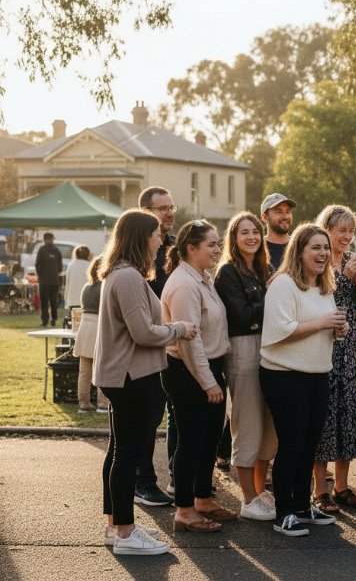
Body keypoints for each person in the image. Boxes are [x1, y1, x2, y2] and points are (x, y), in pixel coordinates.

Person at [94, 209, 197, 555]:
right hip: (131, 375)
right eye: (156, 235)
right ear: (141, 237)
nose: (160, 241)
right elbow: (143, 332)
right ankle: (125, 532)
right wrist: (179, 329)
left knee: (119, 451)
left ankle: (116, 526)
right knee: (128, 453)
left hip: (125, 374)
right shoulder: (127, 278)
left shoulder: (125, 275)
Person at [260, 223, 346, 536]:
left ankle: (301, 505)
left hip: (316, 375)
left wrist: (335, 330)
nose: (323, 253)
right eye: (316, 248)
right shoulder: (283, 284)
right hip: (284, 376)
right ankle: (284, 512)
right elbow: (277, 332)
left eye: (325, 248)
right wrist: (322, 321)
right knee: (292, 444)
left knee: (310, 444)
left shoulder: (324, 287)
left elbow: (316, 327)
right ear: (299, 251)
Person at [161, 220, 235, 532]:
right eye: (212, 245)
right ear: (191, 249)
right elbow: (189, 341)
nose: (218, 250)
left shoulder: (203, 278)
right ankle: (184, 510)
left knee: (209, 439)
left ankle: (203, 499)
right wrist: (208, 382)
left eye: (218, 244)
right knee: (190, 441)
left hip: (210, 368)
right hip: (188, 373)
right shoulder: (183, 284)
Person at [311, 205, 356, 513]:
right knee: (324, 416)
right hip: (323, 345)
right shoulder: (317, 262)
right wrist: (346, 278)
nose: (347, 236)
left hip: (351, 349)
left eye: (351, 231)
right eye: (342, 230)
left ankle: (342, 486)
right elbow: (323, 300)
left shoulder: (351, 261)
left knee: (347, 412)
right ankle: (319, 490)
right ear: (327, 230)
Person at [214, 212, 277, 521]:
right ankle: (248, 498)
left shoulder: (266, 269)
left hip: (271, 347)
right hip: (244, 348)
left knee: (269, 425)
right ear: (234, 239)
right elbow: (241, 316)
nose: (252, 236)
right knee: (248, 422)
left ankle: (260, 489)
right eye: (244, 232)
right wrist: (272, 293)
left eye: (255, 231)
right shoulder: (227, 273)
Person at [137, 185, 178, 507]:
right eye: (161, 208)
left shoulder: (178, 247)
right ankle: (143, 482)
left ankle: (180, 477)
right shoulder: (138, 253)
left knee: (177, 414)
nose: (169, 213)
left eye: (171, 207)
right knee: (147, 417)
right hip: (149, 343)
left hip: (178, 342)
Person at [74, 258, 109, 413]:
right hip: (98, 327)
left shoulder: (86, 287)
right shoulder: (104, 287)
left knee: (85, 370)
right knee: (102, 368)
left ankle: (83, 402)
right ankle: (102, 402)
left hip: (85, 327)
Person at [261, 193, 295, 270]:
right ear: (265, 217)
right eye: (279, 212)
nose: (285, 216)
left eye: (288, 211)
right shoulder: (258, 248)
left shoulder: (299, 246)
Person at [35, 232, 62, 327]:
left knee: (44, 302)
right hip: (54, 281)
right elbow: (60, 267)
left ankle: (44, 320)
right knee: (54, 302)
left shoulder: (42, 250)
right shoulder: (57, 250)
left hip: (44, 281)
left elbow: (37, 264)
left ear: (44, 239)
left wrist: (40, 275)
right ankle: (53, 319)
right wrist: (55, 273)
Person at [65, 245, 91, 310]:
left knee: (74, 319)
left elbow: (67, 283)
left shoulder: (71, 265)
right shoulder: (90, 265)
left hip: (72, 301)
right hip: (86, 301)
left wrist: (66, 301)